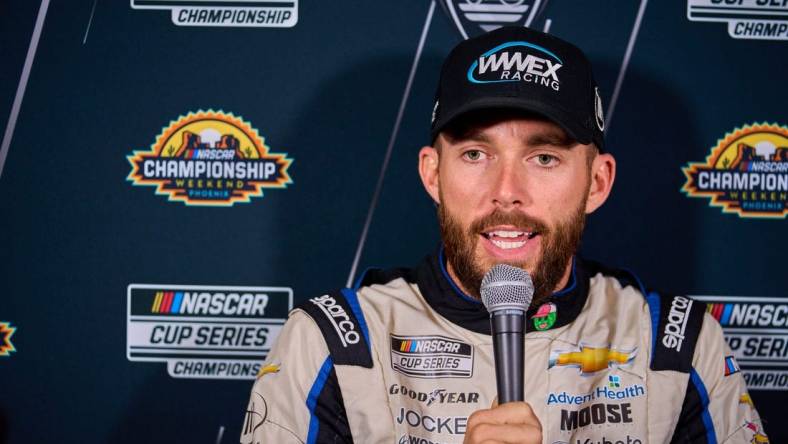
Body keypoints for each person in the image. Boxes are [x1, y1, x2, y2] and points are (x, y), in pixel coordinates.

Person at [240, 26, 767, 444]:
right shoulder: (335, 342)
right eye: (475, 154)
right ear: (432, 174)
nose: (507, 192)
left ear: (597, 182)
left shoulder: (678, 346)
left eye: (544, 157)